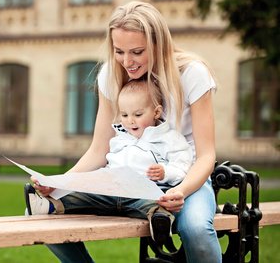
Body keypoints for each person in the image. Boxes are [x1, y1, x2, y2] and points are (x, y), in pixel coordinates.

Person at [30, 1, 221, 263]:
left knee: (197, 229)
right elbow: (100, 149)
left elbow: (206, 155)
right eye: (119, 51)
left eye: (137, 51)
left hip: (185, 178)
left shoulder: (192, 74)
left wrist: (182, 191)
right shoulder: (111, 75)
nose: (127, 62)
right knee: (40, 212)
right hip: (127, 180)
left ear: (158, 44)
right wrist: (61, 182)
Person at [25, 79, 193, 245]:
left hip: (141, 193)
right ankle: (49, 205)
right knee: (81, 194)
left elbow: (183, 165)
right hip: (110, 193)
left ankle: (160, 222)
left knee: (153, 204)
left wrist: (165, 172)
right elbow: (107, 163)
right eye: (124, 115)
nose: (130, 120)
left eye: (138, 114)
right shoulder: (119, 137)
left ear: (156, 112)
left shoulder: (169, 138)